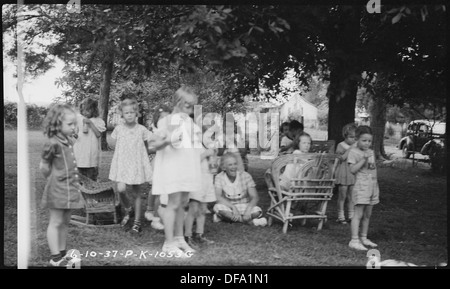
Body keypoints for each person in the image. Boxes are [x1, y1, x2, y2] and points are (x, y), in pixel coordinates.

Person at [149, 86, 202, 256]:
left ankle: (179, 239)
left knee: (182, 203)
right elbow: (152, 145)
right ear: (178, 103)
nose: (191, 109)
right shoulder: (166, 121)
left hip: (187, 167)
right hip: (172, 168)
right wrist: (169, 140)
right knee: (172, 203)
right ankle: (168, 243)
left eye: (193, 105)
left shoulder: (190, 122)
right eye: (188, 105)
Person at [39, 103, 83, 266]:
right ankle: (55, 257)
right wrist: (52, 180)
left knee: (65, 221)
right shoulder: (52, 143)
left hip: (70, 188)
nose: (73, 127)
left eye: (74, 124)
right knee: (56, 221)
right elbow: (43, 166)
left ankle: (63, 253)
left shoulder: (67, 140)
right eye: (70, 124)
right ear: (58, 124)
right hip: (57, 189)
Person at [109, 98, 153, 234]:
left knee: (136, 193)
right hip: (122, 163)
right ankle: (128, 208)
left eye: (132, 112)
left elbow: (149, 145)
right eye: (126, 112)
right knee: (121, 189)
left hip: (136, 165)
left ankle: (137, 223)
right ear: (122, 114)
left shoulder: (142, 130)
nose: (129, 115)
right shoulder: (118, 129)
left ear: (136, 114)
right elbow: (113, 145)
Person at [184, 126, 218, 249]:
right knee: (193, 209)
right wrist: (205, 154)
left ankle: (199, 233)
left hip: (207, 181)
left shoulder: (210, 149)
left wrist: (213, 160)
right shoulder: (195, 148)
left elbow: (213, 167)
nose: (210, 139)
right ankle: (187, 236)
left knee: (203, 209)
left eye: (212, 137)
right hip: (197, 182)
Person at [347, 125, 379, 251]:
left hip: (372, 185)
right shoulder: (353, 152)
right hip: (361, 186)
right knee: (358, 213)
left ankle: (364, 237)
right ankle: (354, 240)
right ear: (357, 139)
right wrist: (364, 158)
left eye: (369, 141)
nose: (367, 143)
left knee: (367, 214)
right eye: (364, 140)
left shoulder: (371, 152)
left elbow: (372, 168)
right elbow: (352, 170)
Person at [213, 152, 267, 226]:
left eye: (235, 164)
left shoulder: (246, 176)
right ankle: (251, 222)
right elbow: (218, 197)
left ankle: (224, 218)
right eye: (230, 165)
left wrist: (248, 211)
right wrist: (233, 207)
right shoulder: (219, 177)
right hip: (228, 206)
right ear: (224, 167)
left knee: (257, 211)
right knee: (218, 208)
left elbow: (255, 197)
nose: (234, 167)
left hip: (244, 205)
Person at [144, 104, 172, 231]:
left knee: (164, 191)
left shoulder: (171, 132)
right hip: (158, 162)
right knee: (155, 188)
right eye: (162, 118)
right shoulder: (156, 132)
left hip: (169, 163)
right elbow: (151, 148)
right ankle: (151, 212)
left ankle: (160, 214)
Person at [73, 98, 106, 181]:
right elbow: (76, 131)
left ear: (94, 110)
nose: (85, 112)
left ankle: (91, 191)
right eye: (83, 110)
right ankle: (81, 191)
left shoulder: (98, 121)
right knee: (79, 174)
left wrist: (90, 123)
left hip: (91, 151)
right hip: (80, 149)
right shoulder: (79, 119)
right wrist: (75, 135)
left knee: (91, 175)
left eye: (87, 110)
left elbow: (98, 135)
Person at [335, 123, 357, 224]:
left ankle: (351, 216)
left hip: (352, 173)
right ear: (345, 136)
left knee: (351, 196)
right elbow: (342, 158)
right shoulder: (341, 145)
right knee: (342, 196)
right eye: (351, 137)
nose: (353, 139)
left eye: (355, 137)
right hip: (343, 172)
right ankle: (340, 216)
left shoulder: (356, 147)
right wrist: (350, 149)